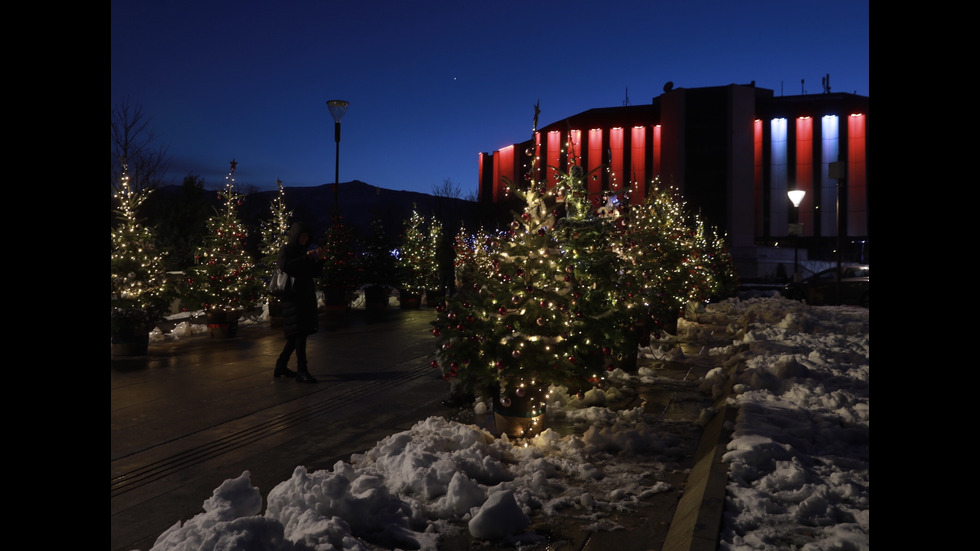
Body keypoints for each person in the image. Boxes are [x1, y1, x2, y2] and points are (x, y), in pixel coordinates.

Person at [274, 222, 325, 383]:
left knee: (296, 335)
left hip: (305, 297)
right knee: (300, 334)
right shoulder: (287, 250)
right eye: (302, 236)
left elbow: (314, 273)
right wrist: (306, 258)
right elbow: (285, 266)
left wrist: (320, 260)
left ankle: (281, 365)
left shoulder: (304, 252)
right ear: (295, 236)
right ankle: (302, 370)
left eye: (306, 237)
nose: (304, 239)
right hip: (293, 297)